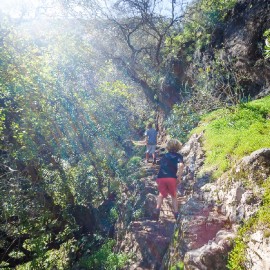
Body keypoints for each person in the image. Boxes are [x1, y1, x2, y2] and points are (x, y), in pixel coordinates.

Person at [153, 139, 184, 221]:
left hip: (161, 177)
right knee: (173, 195)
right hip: (171, 177)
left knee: (161, 194)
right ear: (178, 147)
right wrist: (179, 177)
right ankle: (176, 214)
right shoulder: (178, 156)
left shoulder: (165, 156)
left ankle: (157, 210)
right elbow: (181, 166)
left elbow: (160, 164)